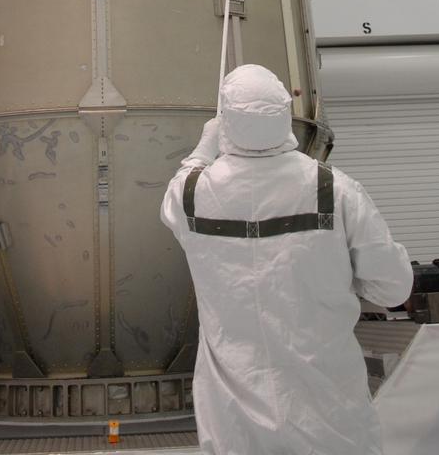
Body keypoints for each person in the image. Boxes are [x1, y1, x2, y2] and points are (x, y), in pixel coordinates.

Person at [161, 64, 413, 455]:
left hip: (234, 420)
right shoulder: (335, 190)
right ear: (285, 118)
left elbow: (178, 188)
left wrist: (202, 150)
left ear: (225, 120)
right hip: (329, 413)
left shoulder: (192, 197)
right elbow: (394, 287)